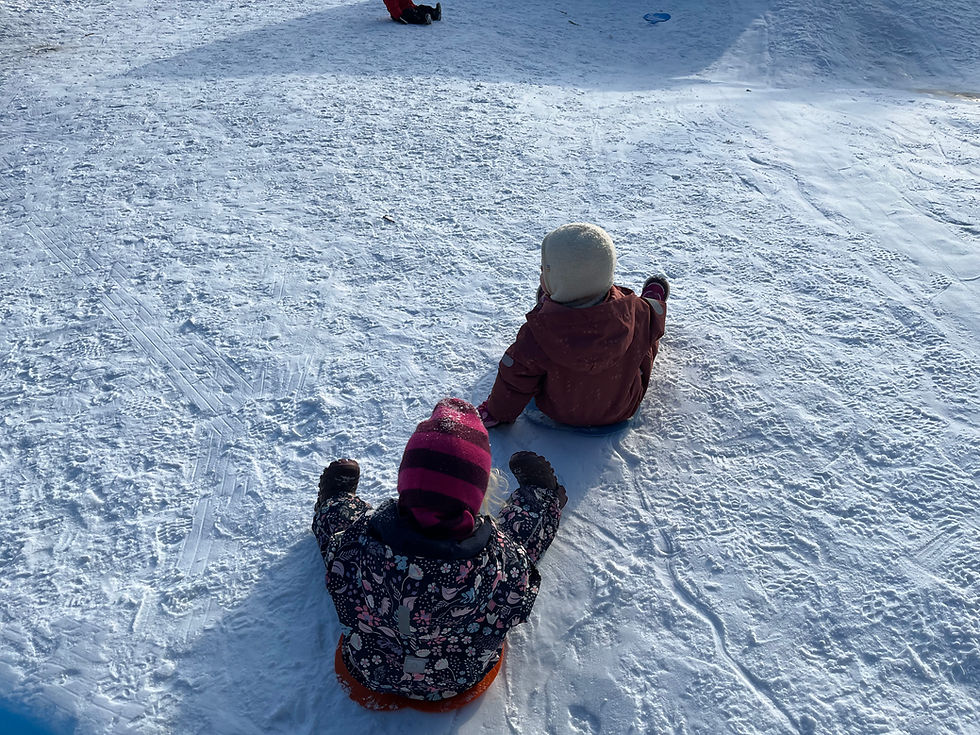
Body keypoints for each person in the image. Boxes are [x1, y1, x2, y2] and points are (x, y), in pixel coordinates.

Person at [312, 398, 566, 710]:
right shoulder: (498, 559)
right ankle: (540, 499)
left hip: (370, 667)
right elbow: (519, 595)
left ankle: (334, 500)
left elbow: (338, 566)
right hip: (457, 678)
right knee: (520, 545)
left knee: (338, 537)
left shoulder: (361, 540)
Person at [478, 222, 669, 429]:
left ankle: (553, 301)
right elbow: (653, 326)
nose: (541, 275)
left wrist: (496, 412)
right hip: (621, 407)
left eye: (545, 271)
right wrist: (652, 309)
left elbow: (514, 379)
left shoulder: (538, 334)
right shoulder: (633, 311)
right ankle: (652, 301)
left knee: (527, 362)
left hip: (558, 411)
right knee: (646, 334)